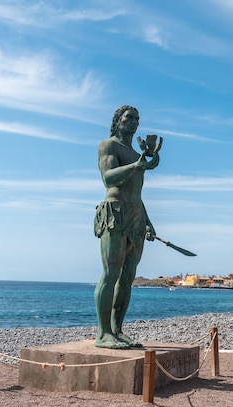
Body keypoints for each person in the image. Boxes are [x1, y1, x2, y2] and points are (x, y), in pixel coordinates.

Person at [93, 105, 160, 349]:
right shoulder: (108, 146)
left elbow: (137, 193)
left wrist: (149, 223)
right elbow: (108, 178)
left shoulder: (135, 153)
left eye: (137, 118)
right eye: (128, 117)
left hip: (136, 217)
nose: (134, 121)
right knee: (111, 273)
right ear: (118, 121)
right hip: (115, 213)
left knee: (127, 277)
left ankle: (117, 330)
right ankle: (103, 333)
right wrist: (137, 166)